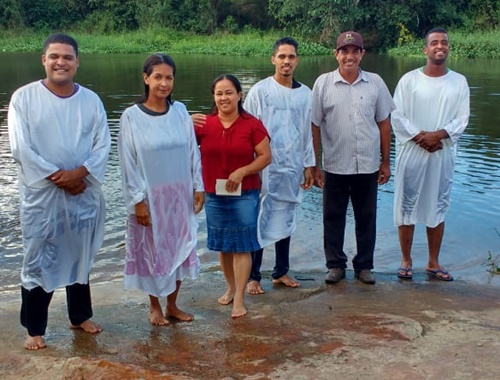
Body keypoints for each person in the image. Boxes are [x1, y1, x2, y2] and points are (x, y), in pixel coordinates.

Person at [7, 33, 110, 350]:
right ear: (44, 60)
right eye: (54, 56)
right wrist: (58, 176)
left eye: (67, 57)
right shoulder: (23, 99)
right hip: (43, 198)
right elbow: (21, 147)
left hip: (83, 192)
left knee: (80, 255)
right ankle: (34, 328)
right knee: (39, 258)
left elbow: (102, 143)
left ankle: (79, 316)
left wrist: (81, 173)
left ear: (77, 62)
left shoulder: (91, 100)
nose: (61, 62)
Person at [118, 53, 204, 326]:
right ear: (146, 78)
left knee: (179, 246)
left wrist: (198, 186)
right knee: (152, 251)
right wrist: (137, 201)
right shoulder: (131, 117)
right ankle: (154, 306)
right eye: (158, 77)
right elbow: (127, 162)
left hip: (179, 195)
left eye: (169, 77)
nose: (164, 83)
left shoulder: (179, 112)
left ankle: (172, 305)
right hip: (150, 197)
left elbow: (193, 151)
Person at [311, 31, 395, 285]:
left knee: (366, 217)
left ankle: (364, 266)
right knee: (333, 217)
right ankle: (335, 265)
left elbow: (384, 124)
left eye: (354, 51)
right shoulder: (323, 84)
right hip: (335, 164)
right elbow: (314, 125)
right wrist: (314, 165)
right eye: (344, 51)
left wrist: (385, 161)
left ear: (362, 54)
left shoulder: (376, 83)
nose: (349, 56)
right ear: (336, 54)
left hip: (367, 164)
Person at [392, 27, 470, 281]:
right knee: (406, 205)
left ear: (448, 48)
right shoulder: (409, 80)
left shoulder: (459, 82)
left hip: (442, 152)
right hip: (411, 151)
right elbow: (397, 115)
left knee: (437, 204)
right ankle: (406, 260)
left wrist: (439, 135)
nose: (440, 46)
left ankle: (433, 262)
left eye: (444, 42)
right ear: (425, 49)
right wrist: (419, 137)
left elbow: (462, 118)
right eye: (434, 42)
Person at [195, 74, 271, 318]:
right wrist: (183, 120)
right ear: (213, 97)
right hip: (214, 193)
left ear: (239, 95)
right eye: (219, 93)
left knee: (242, 245)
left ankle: (239, 298)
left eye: (229, 92)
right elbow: (180, 146)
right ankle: (229, 287)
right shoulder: (204, 124)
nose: (224, 97)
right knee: (223, 245)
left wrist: (243, 171)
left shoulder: (252, 124)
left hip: (245, 193)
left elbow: (265, 156)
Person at [243, 37, 315, 295]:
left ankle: (281, 271)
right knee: (259, 217)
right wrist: (250, 167)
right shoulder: (260, 91)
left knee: (287, 214)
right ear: (273, 59)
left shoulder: (306, 94)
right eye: (282, 56)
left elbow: (307, 132)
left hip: (292, 165)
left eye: (291, 57)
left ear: (297, 60)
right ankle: (253, 275)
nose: (287, 61)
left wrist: (310, 165)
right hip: (264, 166)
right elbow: (248, 129)